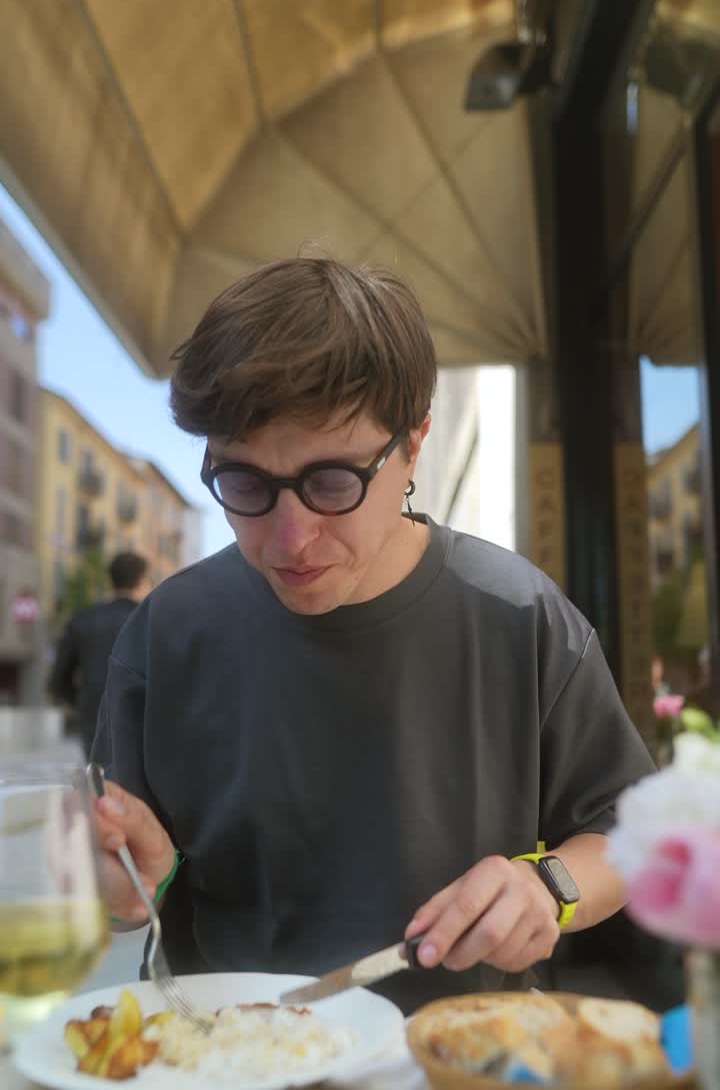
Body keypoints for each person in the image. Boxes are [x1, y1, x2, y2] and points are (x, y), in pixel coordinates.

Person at [92, 258, 655, 1014]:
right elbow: (124, 875)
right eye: (246, 485)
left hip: (460, 1062)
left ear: (413, 445)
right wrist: (128, 880)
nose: (290, 539)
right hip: (223, 1058)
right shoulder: (167, 635)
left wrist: (548, 886)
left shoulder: (521, 617)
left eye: (331, 483)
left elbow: (634, 833)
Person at [50, 551, 151, 759]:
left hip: (93, 718)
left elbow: (58, 679)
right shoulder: (152, 619)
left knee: (99, 784)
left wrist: (81, 702)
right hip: (142, 722)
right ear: (141, 581)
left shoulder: (83, 619)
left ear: (111, 580)